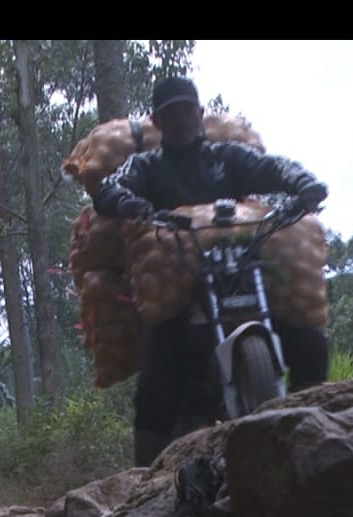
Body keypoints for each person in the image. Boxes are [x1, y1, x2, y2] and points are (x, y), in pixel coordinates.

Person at [92, 75, 331, 467]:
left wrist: (304, 184)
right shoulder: (147, 166)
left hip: (243, 268)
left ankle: (320, 433)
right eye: (171, 114)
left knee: (309, 340)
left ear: (200, 114)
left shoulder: (228, 158)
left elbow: (273, 167)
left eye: (187, 111)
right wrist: (126, 203)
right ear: (157, 122)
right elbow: (108, 189)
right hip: (183, 284)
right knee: (156, 376)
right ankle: (141, 478)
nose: (181, 120)